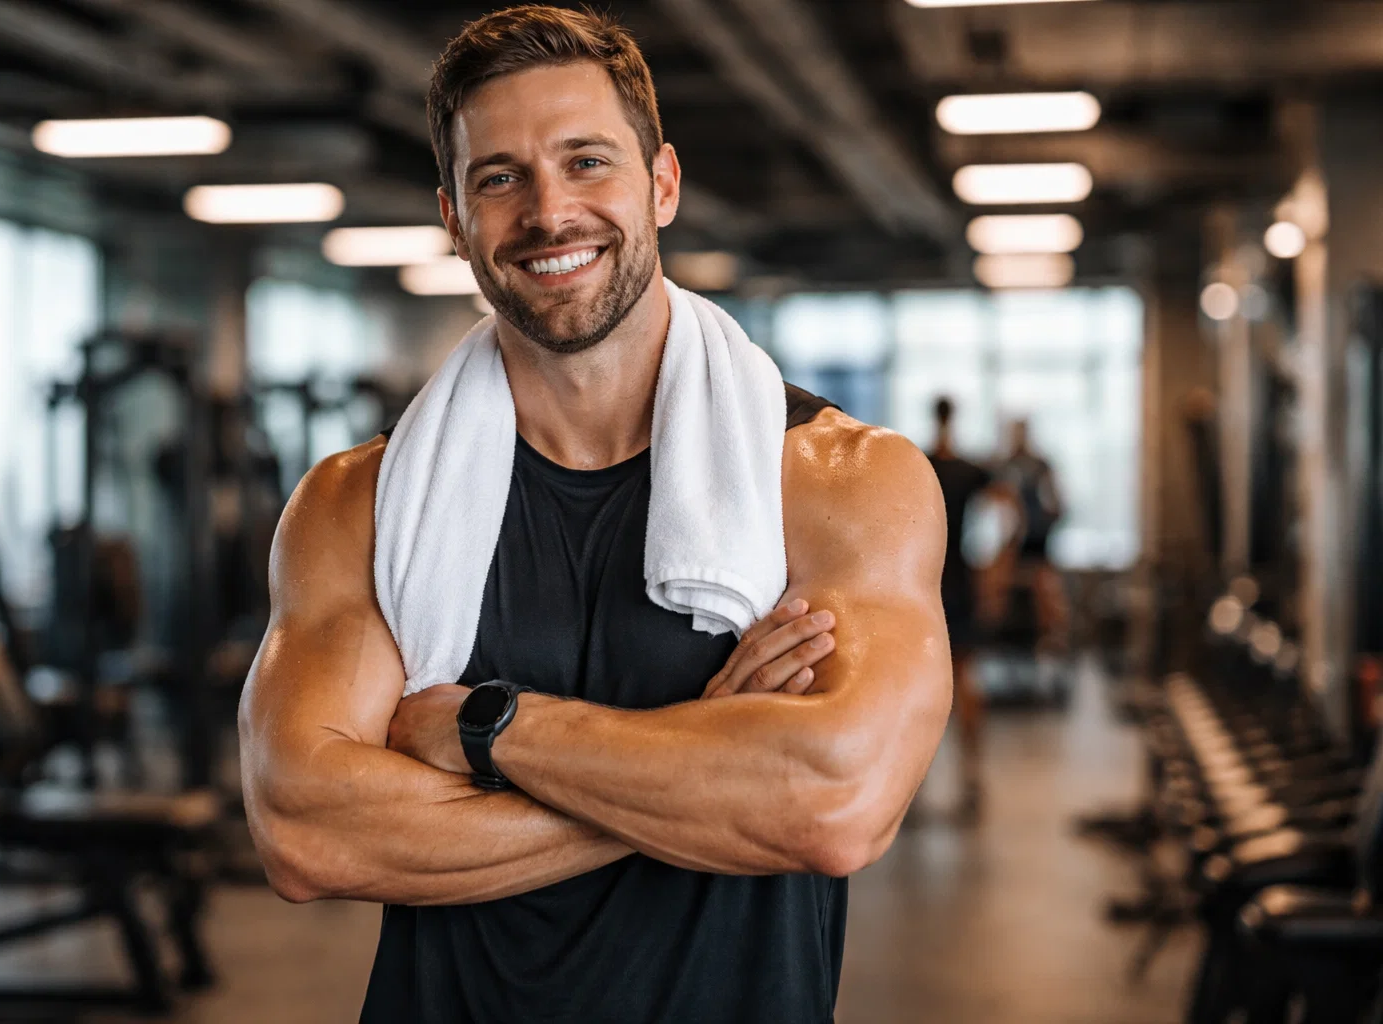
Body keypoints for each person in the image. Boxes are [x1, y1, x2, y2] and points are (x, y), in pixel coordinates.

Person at [238, 8, 951, 1022]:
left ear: (661, 184)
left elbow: (834, 804)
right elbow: (306, 831)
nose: (547, 211)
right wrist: (708, 760)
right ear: (453, 214)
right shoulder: (359, 502)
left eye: (586, 162)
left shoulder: (837, 483)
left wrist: (490, 731)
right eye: (499, 178)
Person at [925, 396, 1006, 818]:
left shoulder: (921, 464)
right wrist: (996, 566)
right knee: (965, 679)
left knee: (920, 684)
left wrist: (996, 567)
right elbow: (1010, 508)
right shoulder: (967, 470)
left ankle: (918, 781)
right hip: (957, 580)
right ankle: (971, 777)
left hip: (926, 582)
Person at [996, 418, 1069, 655]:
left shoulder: (1038, 464)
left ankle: (1052, 633)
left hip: (1035, 536)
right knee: (1000, 581)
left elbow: (1058, 503)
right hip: (1015, 538)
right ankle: (998, 633)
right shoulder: (1006, 464)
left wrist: (1044, 521)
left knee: (1043, 586)